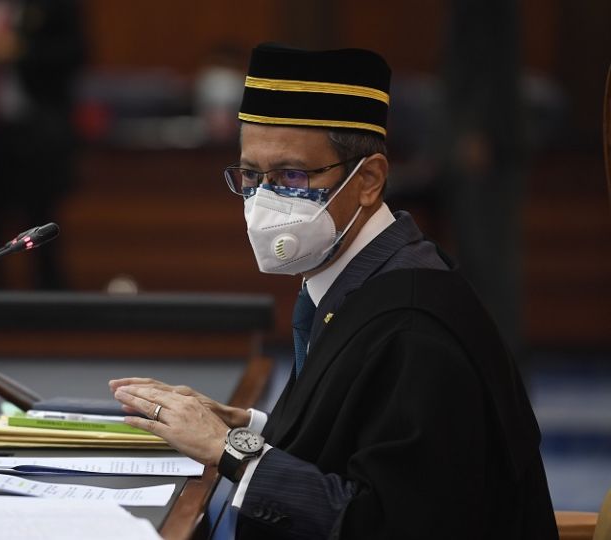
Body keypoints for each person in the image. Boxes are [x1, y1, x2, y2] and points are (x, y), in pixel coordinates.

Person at [110, 44, 557, 539]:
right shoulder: (358, 282)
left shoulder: (413, 329)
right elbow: (357, 446)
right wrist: (255, 429)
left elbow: (387, 523)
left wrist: (230, 450)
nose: (264, 200)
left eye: (292, 175)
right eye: (251, 176)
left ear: (368, 180)